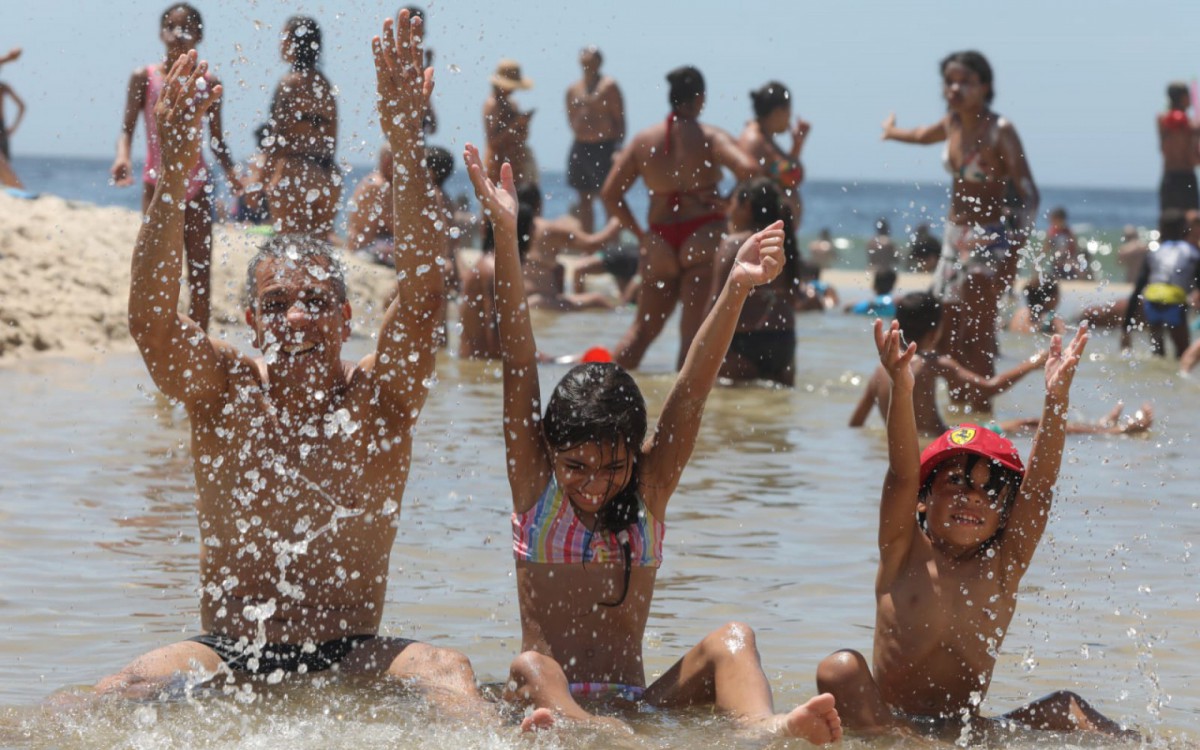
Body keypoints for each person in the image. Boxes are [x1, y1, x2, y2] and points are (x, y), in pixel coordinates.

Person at [98, 19, 490, 713]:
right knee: (123, 689)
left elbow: (426, 295)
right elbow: (151, 325)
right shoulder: (226, 391)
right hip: (230, 649)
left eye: (315, 302)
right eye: (276, 304)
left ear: (346, 317)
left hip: (353, 651)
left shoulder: (380, 401)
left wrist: (402, 139)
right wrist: (177, 168)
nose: (298, 319)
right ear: (252, 322)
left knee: (449, 672)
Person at [465, 146, 840, 740]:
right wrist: (506, 234)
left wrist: (737, 286)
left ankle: (764, 730)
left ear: (635, 456)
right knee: (531, 666)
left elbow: (691, 390)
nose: (592, 483)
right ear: (549, 452)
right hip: (547, 698)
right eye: (576, 466)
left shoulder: (649, 488)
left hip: (634, 707)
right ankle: (590, 730)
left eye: (611, 467)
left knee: (733, 639)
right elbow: (518, 361)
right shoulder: (534, 485)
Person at [825, 317, 1137, 740]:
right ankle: (904, 744)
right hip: (893, 725)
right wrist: (902, 387)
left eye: (989, 492)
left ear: (1006, 513)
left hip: (967, 732)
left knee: (1067, 707)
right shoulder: (903, 551)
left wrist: (1056, 398)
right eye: (955, 483)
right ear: (923, 497)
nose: (972, 497)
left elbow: (1039, 487)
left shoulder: (1005, 563)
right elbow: (901, 472)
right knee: (839, 669)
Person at [882, 50, 1038, 412]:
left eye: (965, 81)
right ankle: (956, 414)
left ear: (985, 86)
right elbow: (922, 135)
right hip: (955, 239)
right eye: (949, 81)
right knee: (947, 331)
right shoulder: (953, 123)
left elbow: (1028, 194)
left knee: (979, 335)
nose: (954, 88)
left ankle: (981, 418)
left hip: (991, 239)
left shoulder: (1000, 130)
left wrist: (1014, 255)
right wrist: (893, 133)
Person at [602, 65, 759, 370]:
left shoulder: (644, 140)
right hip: (702, 237)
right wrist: (728, 203)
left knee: (641, 333)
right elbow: (751, 170)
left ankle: (597, 393)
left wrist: (640, 234)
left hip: (659, 240)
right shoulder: (711, 137)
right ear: (700, 98)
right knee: (692, 339)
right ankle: (680, 416)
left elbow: (610, 194)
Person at [850, 292, 1150, 437]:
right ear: (934, 331)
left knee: (1023, 425)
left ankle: (1100, 426)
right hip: (945, 441)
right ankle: (1115, 432)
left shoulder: (880, 371)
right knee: (1028, 424)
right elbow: (990, 387)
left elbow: (856, 422)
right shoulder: (931, 362)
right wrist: (1034, 363)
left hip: (909, 446)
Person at [110, 3, 241, 331]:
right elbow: (127, 129)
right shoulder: (145, 77)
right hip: (156, 182)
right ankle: (158, 339)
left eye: (187, 30)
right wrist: (122, 157)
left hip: (197, 183)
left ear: (199, 35)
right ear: (161, 33)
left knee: (200, 269)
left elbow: (217, 141)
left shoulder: (209, 82)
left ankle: (201, 343)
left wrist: (234, 177)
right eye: (172, 28)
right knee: (156, 267)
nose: (179, 36)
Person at [711, 178, 800, 386]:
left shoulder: (733, 244)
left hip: (743, 342)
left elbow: (714, 305)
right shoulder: (782, 242)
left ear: (746, 207)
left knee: (733, 413)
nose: (729, 212)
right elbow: (793, 297)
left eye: (732, 204)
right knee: (774, 410)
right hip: (784, 341)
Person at [262, 15, 340, 238]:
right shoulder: (325, 85)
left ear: (293, 42)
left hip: (295, 171)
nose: (280, 43)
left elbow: (278, 137)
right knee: (319, 253)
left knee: (290, 248)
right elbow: (332, 139)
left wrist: (262, 180)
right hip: (327, 174)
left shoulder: (289, 83)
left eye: (284, 37)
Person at [517, 184, 622, 311]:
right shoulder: (546, 229)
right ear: (539, 204)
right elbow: (592, 244)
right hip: (541, 300)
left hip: (520, 300)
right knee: (598, 300)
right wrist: (617, 220)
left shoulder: (509, 228)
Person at [1121, 209, 1200, 357]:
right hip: (1175, 303)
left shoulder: (1154, 252)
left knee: (1158, 354)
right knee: (1184, 355)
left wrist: (1126, 328)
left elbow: (1137, 290)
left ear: (1161, 228)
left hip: (1152, 302)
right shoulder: (1193, 253)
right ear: (1185, 228)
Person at [565, 46, 625, 233]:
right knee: (584, 198)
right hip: (581, 146)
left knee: (607, 196)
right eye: (583, 53)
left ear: (599, 61)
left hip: (604, 146)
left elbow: (620, 119)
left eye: (589, 54)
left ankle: (611, 245)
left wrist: (618, 147)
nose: (585, 57)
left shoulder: (609, 86)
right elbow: (571, 117)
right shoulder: (573, 89)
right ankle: (589, 244)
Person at [738, 80, 809, 229]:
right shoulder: (756, 140)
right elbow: (791, 176)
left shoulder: (764, 138)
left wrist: (797, 145)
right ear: (778, 112)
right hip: (757, 229)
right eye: (789, 113)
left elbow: (778, 173)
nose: (790, 119)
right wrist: (798, 146)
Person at [483, 59, 537, 190]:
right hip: (496, 163)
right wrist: (515, 124)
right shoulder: (492, 105)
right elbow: (492, 141)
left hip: (516, 161)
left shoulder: (512, 103)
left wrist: (524, 125)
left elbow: (522, 138)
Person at [1158, 82, 1199, 212]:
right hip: (1173, 175)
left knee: (1191, 222)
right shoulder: (1165, 119)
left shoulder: (1191, 123)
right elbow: (1176, 123)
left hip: (1186, 174)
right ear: (1182, 98)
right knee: (1170, 221)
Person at [0, 47, 25, 162]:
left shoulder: (3, 87)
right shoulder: (3, 87)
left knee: (4, 169)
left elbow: (22, 106)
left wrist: (13, 128)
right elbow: (22, 106)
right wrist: (8, 58)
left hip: (1, 129)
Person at [1046, 207, 1084, 280]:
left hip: (1067, 261)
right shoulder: (1052, 232)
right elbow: (1046, 248)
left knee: (1077, 267)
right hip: (1057, 262)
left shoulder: (1068, 232)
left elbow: (1074, 249)